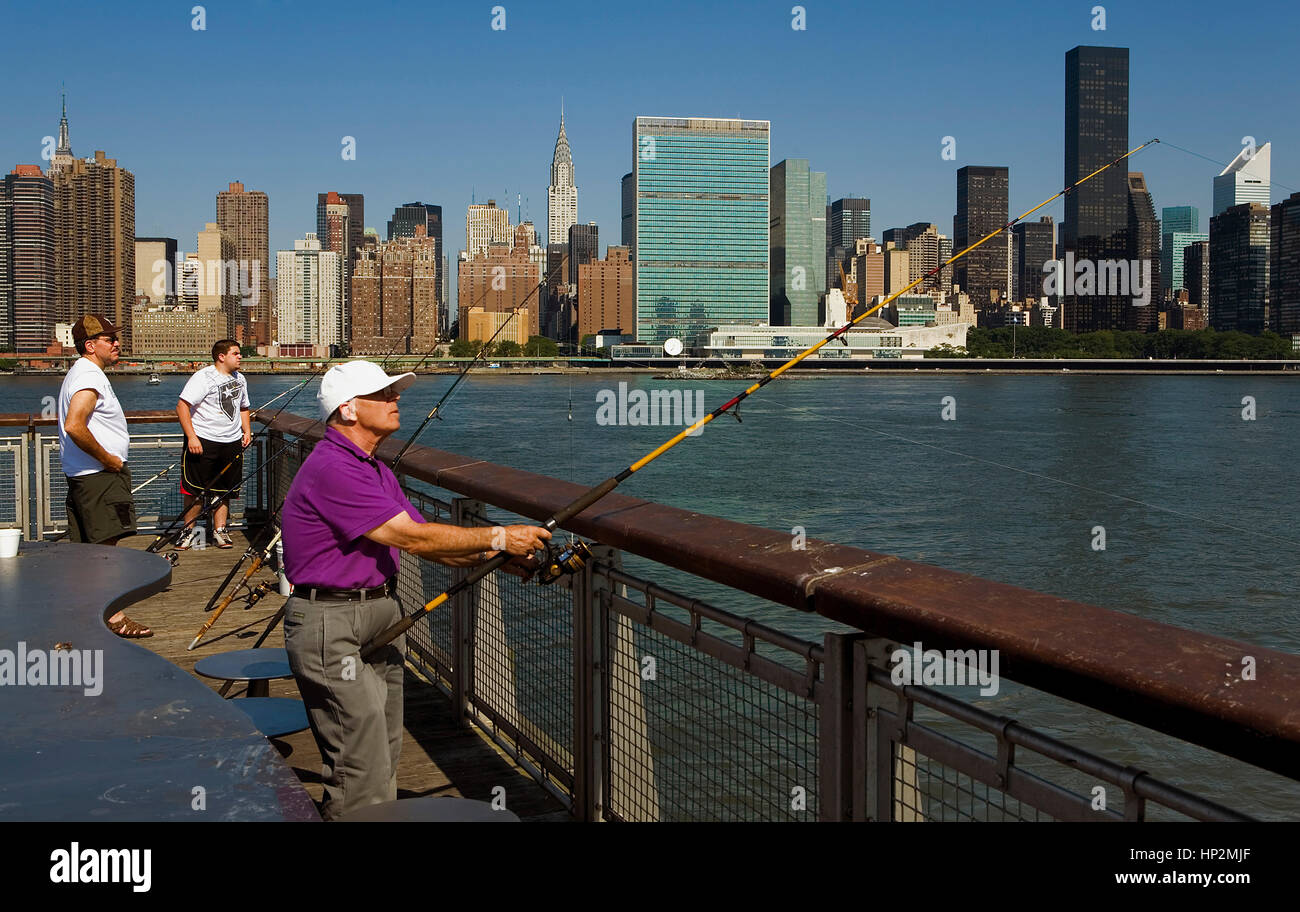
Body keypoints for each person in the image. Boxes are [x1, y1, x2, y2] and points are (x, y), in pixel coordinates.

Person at [280, 360, 550, 820]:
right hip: (331, 622)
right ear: (348, 410)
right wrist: (500, 537)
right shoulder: (332, 467)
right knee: (357, 759)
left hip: (381, 611)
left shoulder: (373, 468)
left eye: (394, 392)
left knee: (383, 746)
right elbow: (411, 537)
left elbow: (428, 540)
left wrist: (501, 561)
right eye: (383, 394)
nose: (395, 399)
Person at [57, 314, 151, 638]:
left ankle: (88, 617)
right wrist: (109, 459)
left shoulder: (82, 374)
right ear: (90, 345)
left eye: (115, 338)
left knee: (89, 552)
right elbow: (74, 424)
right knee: (107, 552)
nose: (116, 343)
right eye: (109, 339)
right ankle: (115, 618)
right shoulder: (89, 377)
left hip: (86, 477)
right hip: (99, 477)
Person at [174, 339, 251, 550]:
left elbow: (244, 407)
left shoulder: (240, 379)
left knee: (224, 489)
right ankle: (189, 532)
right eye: (236, 353)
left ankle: (220, 531)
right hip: (203, 441)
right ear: (221, 356)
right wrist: (191, 437)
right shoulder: (203, 377)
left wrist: (247, 431)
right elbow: (182, 406)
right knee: (195, 490)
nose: (240, 357)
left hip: (231, 441)